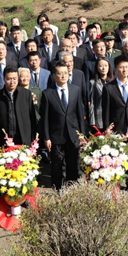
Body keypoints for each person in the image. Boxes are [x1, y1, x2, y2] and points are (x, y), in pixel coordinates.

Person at [40, 62, 86, 190]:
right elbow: (45, 118)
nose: (63, 76)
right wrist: (47, 137)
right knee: (57, 165)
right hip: (56, 135)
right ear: (54, 75)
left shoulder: (75, 90)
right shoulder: (47, 93)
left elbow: (80, 114)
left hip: (73, 134)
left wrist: (82, 135)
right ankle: (58, 189)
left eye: (65, 73)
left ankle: (72, 188)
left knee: (73, 164)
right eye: (59, 73)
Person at [102, 57, 128, 194]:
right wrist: (108, 129)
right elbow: (106, 110)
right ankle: (116, 183)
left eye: (126, 67)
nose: (124, 70)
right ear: (115, 69)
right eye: (121, 67)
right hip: (117, 126)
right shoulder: (109, 87)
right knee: (116, 156)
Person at [0, 67, 37, 146]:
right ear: (4, 79)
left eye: (14, 79)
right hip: (4, 140)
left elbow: (32, 118)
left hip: (23, 139)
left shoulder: (26, 94)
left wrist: (32, 139)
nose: (12, 82)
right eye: (9, 79)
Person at [87, 57, 112, 131]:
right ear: (97, 67)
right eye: (101, 66)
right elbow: (92, 102)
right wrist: (92, 121)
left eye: (105, 65)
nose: (103, 68)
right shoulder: (93, 82)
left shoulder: (113, 82)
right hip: (99, 116)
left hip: (112, 116)